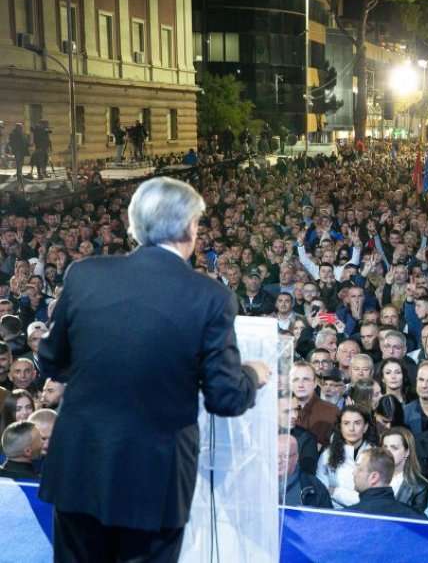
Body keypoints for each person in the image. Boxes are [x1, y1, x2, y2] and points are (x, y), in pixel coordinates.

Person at [37, 176, 269, 562]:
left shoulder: (84, 273)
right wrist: (253, 374)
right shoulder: (209, 296)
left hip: (80, 467)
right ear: (190, 228)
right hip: (153, 479)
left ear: (134, 225)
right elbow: (225, 397)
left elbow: (51, 360)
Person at [316, 405, 373, 508]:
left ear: (365, 427)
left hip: (366, 514)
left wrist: (335, 491)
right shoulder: (327, 455)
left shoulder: (375, 455)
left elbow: (373, 497)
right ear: (340, 427)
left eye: (357, 423)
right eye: (346, 423)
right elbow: (322, 491)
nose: (351, 428)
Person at [347, 447, 426, 519]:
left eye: (359, 469)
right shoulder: (416, 517)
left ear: (374, 477)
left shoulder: (346, 517)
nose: (354, 473)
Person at [291, 361, 339, 448]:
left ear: (315, 383)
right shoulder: (280, 410)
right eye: (295, 379)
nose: (300, 385)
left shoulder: (332, 411)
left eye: (306, 379)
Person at [381, 427, 428, 513]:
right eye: (385, 447)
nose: (388, 452)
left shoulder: (420, 487)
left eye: (394, 448)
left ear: (407, 452)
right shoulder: (373, 478)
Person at [279, 432, 331, 508]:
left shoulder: (314, 487)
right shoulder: (260, 483)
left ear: (296, 457)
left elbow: (327, 518)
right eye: (274, 455)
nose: (278, 461)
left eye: (284, 456)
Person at [8, 122, 28, 188]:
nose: (21, 128)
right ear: (18, 127)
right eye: (20, 127)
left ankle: (19, 174)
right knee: (18, 162)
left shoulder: (21, 133)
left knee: (21, 163)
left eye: (22, 127)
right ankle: (19, 175)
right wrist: (14, 149)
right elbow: (11, 142)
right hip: (17, 150)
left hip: (22, 150)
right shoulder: (13, 134)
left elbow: (24, 141)